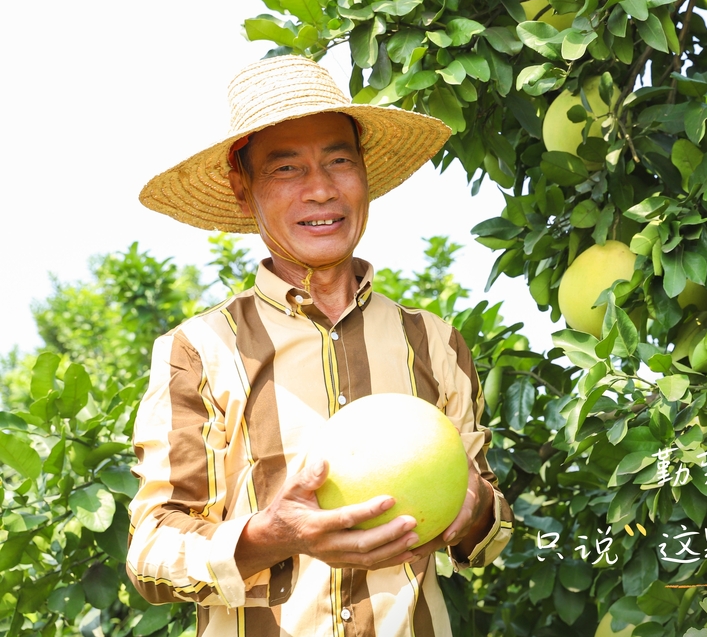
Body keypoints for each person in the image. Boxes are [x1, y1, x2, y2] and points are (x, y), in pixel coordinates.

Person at [127, 55, 513, 637]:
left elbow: (491, 529)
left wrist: (473, 512)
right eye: (286, 169)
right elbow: (152, 554)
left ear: (364, 175)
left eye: (339, 160)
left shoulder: (434, 344)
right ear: (242, 187)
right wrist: (272, 535)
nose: (321, 189)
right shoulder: (201, 351)